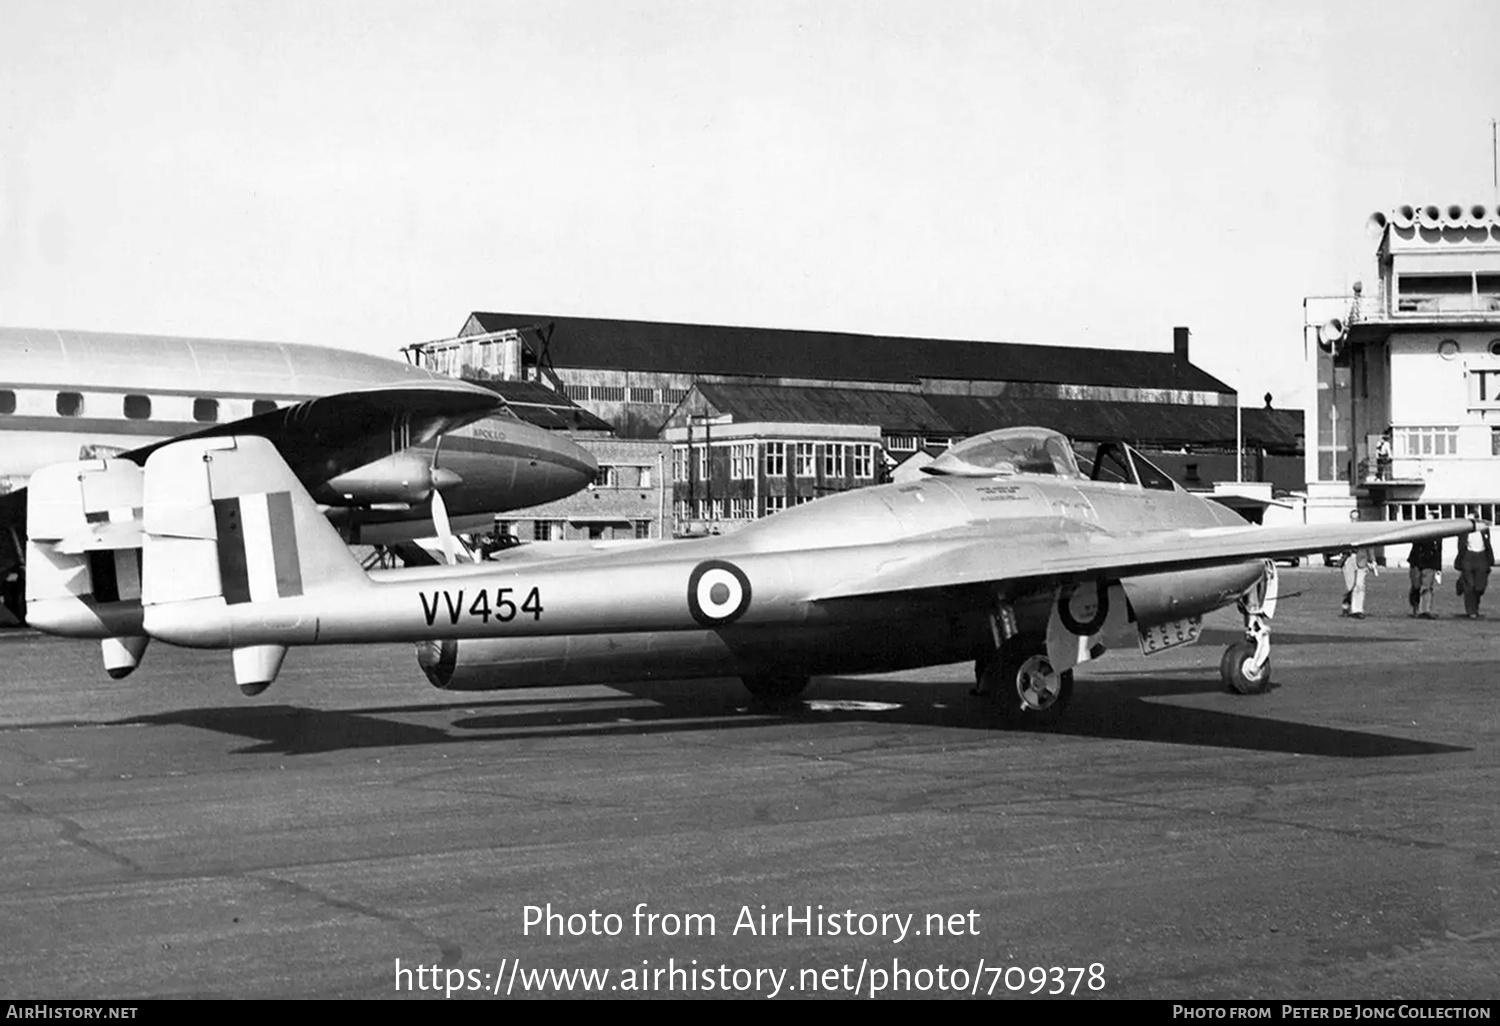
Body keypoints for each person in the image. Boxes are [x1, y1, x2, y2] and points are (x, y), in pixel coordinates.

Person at [1455, 519, 1495, 619]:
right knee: (1470, 586)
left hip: (1481, 557)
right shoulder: (1464, 530)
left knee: (1480, 586)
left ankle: (1474, 605)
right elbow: (1461, 546)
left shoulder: (1484, 529)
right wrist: (1460, 560)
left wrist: (1490, 559)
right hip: (1468, 557)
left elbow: (1487, 543)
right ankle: (1471, 611)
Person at [1407, 537, 1442, 619]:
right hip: (1417, 558)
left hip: (1431, 559)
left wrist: (1438, 565)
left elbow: (1439, 547)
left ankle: (1425, 610)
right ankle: (1416, 607)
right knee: (1416, 585)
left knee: (1427, 586)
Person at [1341, 546, 1375, 619]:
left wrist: (1372, 560)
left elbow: (1370, 546)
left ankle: (1357, 610)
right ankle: (1346, 604)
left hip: (1362, 559)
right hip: (1349, 558)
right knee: (1349, 586)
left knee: (1360, 585)